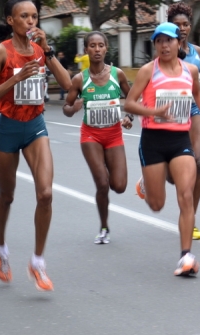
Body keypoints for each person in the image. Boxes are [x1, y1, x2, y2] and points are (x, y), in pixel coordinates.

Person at [0, 0, 73, 291]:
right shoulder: (0, 52)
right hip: (7, 129)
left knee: (45, 194)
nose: (31, 21)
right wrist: (14, 81)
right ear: (11, 20)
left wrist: (47, 51)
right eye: (24, 16)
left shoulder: (38, 50)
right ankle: (2, 248)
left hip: (35, 127)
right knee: (7, 196)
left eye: (34, 16)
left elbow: (69, 84)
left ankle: (37, 262)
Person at [125, 22, 200, 276]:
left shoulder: (190, 71)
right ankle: (146, 183)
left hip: (179, 141)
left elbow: (197, 94)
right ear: (155, 45)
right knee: (156, 204)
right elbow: (129, 104)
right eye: (159, 41)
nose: (164, 45)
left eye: (169, 40)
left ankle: (186, 256)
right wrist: (153, 111)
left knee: (186, 195)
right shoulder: (147, 71)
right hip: (153, 141)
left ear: (178, 43)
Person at [63, 32, 133, 244]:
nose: (96, 49)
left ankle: (110, 171)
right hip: (91, 136)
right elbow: (66, 107)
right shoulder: (79, 79)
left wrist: (129, 116)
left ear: (106, 49)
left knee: (118, 186)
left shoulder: (117, 74)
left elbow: (131, 97)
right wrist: (73, 108)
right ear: (86, 49)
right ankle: (104, 227)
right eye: (92, 45)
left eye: (100, 45)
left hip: (113, 135)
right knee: (102, 184)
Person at [165, 2, 200, 240]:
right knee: (171, 171)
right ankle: (153, 174)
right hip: (171, 109)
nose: (182, 28)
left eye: (186, 24)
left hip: (193, 108)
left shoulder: (198, 52)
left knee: (199, 161)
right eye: (177, 25)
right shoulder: (166, 50)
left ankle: (190, 218)